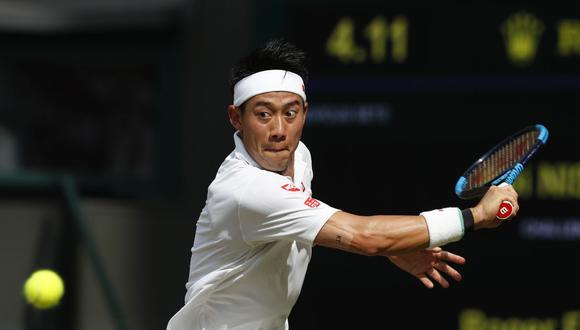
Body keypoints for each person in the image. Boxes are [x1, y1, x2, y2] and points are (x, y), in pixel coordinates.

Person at [166, 39, 519, 330]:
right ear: (235, 118)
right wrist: (474, 216)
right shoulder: (245, 189)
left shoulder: (298, 157)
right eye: (263, 114)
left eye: (290, 113)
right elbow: (365, 237)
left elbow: (312, 218)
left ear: (305, 113)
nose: (278, 129)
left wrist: (393, 247)